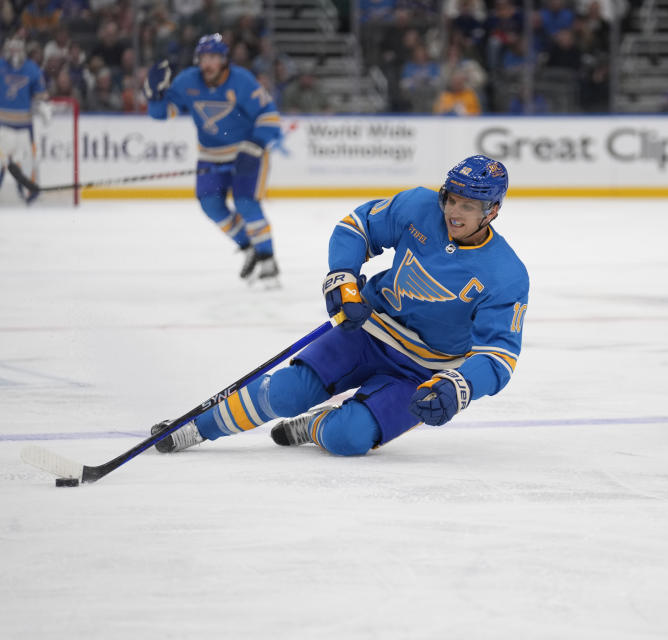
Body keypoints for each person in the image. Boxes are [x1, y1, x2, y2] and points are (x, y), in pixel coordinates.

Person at [150, 155, 529, 457]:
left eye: (468, 205)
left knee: (349, 437)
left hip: (423, 370)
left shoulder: (505, 274)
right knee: (286, 392)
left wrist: (459, 384)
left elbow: (499, 356)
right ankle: (197, 426)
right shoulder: (418, 205)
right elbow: (357, 225)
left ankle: (314, 427)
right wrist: (343, 277)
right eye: (451, 198)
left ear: (492, 211)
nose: (453, 211)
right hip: (368, 328)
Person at [144, 33, 282, 284]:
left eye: (215, 58)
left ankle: (267, 260)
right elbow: (163, 113)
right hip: (210, 156)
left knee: (246, 204)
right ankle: (248, 247)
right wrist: (155, 97)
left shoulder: (242, 81)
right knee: (210, 205)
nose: (209, 64)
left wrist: (255, 145)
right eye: (205, 58)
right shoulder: (188, 81)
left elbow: (269, 114)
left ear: (224, 60)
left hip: (247, 152)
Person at [0, 36, 50, 204]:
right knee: (1, 161)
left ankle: (29, 194)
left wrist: (42, 107)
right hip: (2, 124)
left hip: (24, 126)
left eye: (17, 50)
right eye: (10, 49)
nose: (13, 54)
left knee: (26, 162)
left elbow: (39, 95)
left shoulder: (32, 69)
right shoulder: (0, 66)